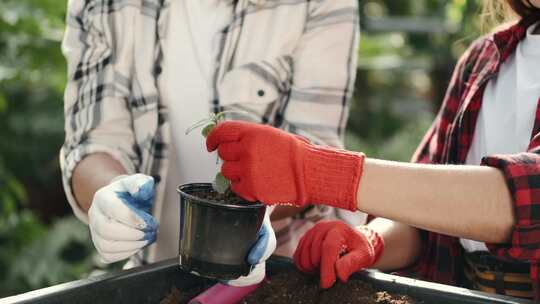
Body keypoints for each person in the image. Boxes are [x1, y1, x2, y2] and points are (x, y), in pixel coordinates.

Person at [205, 0, 540, 298]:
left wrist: (319, 172)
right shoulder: (484, 60)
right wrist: (370, 240)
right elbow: (421, 219)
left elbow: (526, 199)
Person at [59, 0, 361, 286]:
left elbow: (319, 159)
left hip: (277, 277)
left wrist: (257, 213)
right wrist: (108, 192)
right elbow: (93, 140)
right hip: (154, 275)